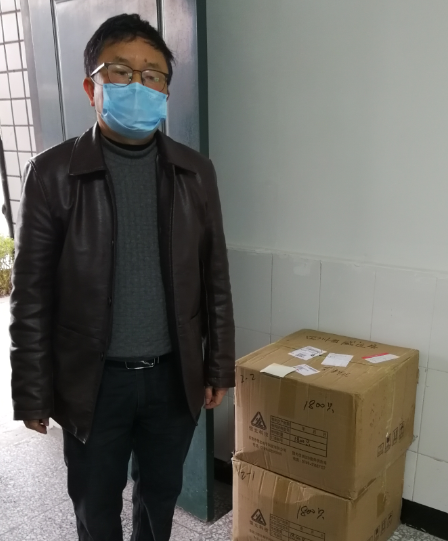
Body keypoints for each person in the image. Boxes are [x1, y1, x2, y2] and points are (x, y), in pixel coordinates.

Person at [10, 13, 235, 541]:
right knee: (95, 506)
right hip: (93, 382)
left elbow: (215, 275)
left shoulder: (195, 171)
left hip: (172, 378)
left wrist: (218, 366)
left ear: (166, 90)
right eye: (121, 72)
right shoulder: (52, 173)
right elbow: (31, 295)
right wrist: (31, 391)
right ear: (92, 87)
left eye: (153, 75)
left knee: (160, 498)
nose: (139, 85)